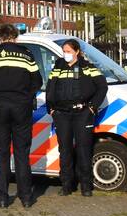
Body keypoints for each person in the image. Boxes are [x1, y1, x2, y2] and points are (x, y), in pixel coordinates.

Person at [0, 24, 43, 208]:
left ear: (0, 37)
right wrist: (26, 96)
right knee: (22, 153)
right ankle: (26, 198)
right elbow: (37, 81)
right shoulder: (26, 54)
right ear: (16, 37)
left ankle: (1, 198)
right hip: (21, 108)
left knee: (2, 154)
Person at [46, 39, 108, 197]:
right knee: (65, 150)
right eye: (64, 51)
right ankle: (66, 185)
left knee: (83, 150)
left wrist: (92, 108)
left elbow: (102, 86)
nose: (65, 54)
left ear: (77, 51)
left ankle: (86, 187)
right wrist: (51, 108)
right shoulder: (58, 67)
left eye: (68, 51)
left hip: (82, 114)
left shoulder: (87, 67)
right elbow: (50, 87)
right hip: (62, 114)